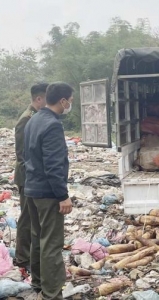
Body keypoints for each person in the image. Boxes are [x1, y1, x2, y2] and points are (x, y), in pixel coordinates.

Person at [24, 82, 74, 300]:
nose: (70, 104)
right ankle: (52, 293)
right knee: (52, 244)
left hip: (32, 189)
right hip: (48, 193)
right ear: (62, 101)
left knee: (38, 238)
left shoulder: (33, 120)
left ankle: (37, 284)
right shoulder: (53, 125)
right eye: (70, 101)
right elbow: (53, 165)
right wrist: (62, 195)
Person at [14, 83, 48, 271]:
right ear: (38, 99)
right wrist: (32, 178)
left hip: (33, 177)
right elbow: (22, 154)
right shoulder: (26, 119)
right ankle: (22, 258)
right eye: (47, 99)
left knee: (34, 218)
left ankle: (31, 256)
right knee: (27, 218)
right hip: (27, 178)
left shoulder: (36, 117)